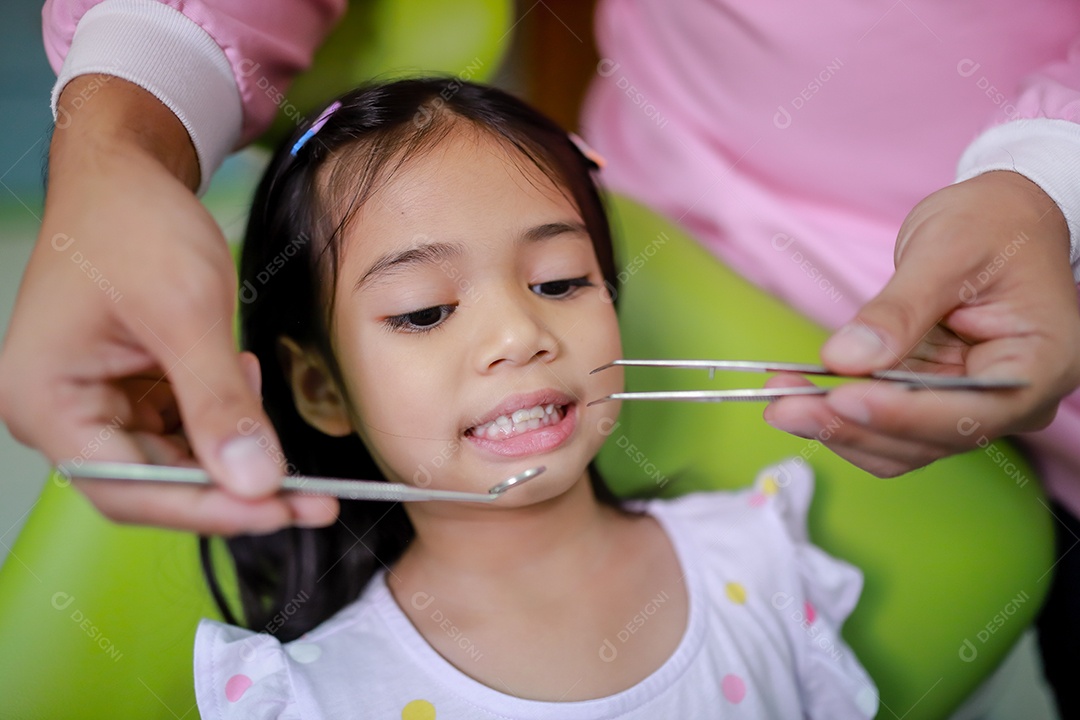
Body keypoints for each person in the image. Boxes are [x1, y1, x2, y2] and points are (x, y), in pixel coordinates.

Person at [192, 77, 878, 718]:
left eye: (558, 282)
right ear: (320, 388)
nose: (520, 335)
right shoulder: (321, 696)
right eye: (425, 311)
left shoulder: (755, 560)